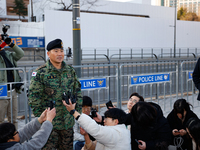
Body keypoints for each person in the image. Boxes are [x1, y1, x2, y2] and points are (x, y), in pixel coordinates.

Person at [28, 38, 83, 150]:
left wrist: (77, 113)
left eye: (61, 51)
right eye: (56, 51)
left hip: (67, 123)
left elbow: (77, 92)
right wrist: (42, 119)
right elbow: (34, 97)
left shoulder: (70, 71)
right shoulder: (40, 73)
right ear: (48, 54)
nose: (60, 54)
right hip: (49, 125)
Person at [63, 99, 131, 150]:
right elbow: (93, 147)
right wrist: (86, 135)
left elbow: (96, 129)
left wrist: (74, 112)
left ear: (116, 121)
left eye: (106, 119)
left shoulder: (116, 134)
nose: (104, 121)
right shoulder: (121, 132)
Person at [0, 35, 24, 129]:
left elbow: (20, 53)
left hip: (13, 89)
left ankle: (14, 137)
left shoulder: (9, 55)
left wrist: (10, 43)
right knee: (1, 118)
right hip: (2, 89)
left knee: (14, 118)